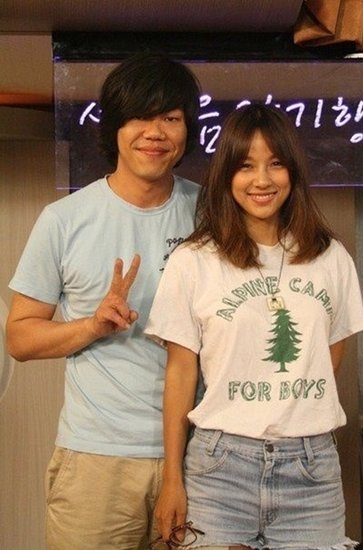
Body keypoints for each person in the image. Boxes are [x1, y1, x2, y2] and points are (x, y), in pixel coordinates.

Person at [145, 104, 363, 549]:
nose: (262, 180)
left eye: (275, 164)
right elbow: (181, 371)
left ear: (293, 172)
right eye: (245, 166)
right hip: (220, 468)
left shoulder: (331, 257)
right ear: (226, 175)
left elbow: (330, 354)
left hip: (311, 471)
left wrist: (290, 405)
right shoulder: (194, 260)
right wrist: (172, 479)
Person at [6, 52, 201, 549]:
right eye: (139, 117)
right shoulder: (64, 219)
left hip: (202, 454)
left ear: (187, 131)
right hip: (96, 459)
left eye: (170, 118)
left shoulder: (213, 213)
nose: (154, 132)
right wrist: (92, 326)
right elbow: (19, 338)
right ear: (114, 127)